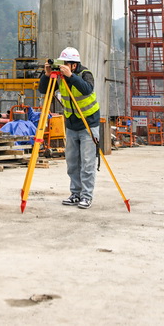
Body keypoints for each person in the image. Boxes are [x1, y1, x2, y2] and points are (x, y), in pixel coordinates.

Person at [38, 46, 101, 209]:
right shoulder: (60, 76)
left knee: (87, 163)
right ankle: (75, 194)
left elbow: (87, 89)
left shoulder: (84, 74)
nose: (62, 66)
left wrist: (71, 76)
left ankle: (86, 196)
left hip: (88, 124)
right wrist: (46, 75)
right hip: (72, 124)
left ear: (74, 65)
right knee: (72, 162)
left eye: (65, 63)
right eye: (61, 63)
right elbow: (43, 90)